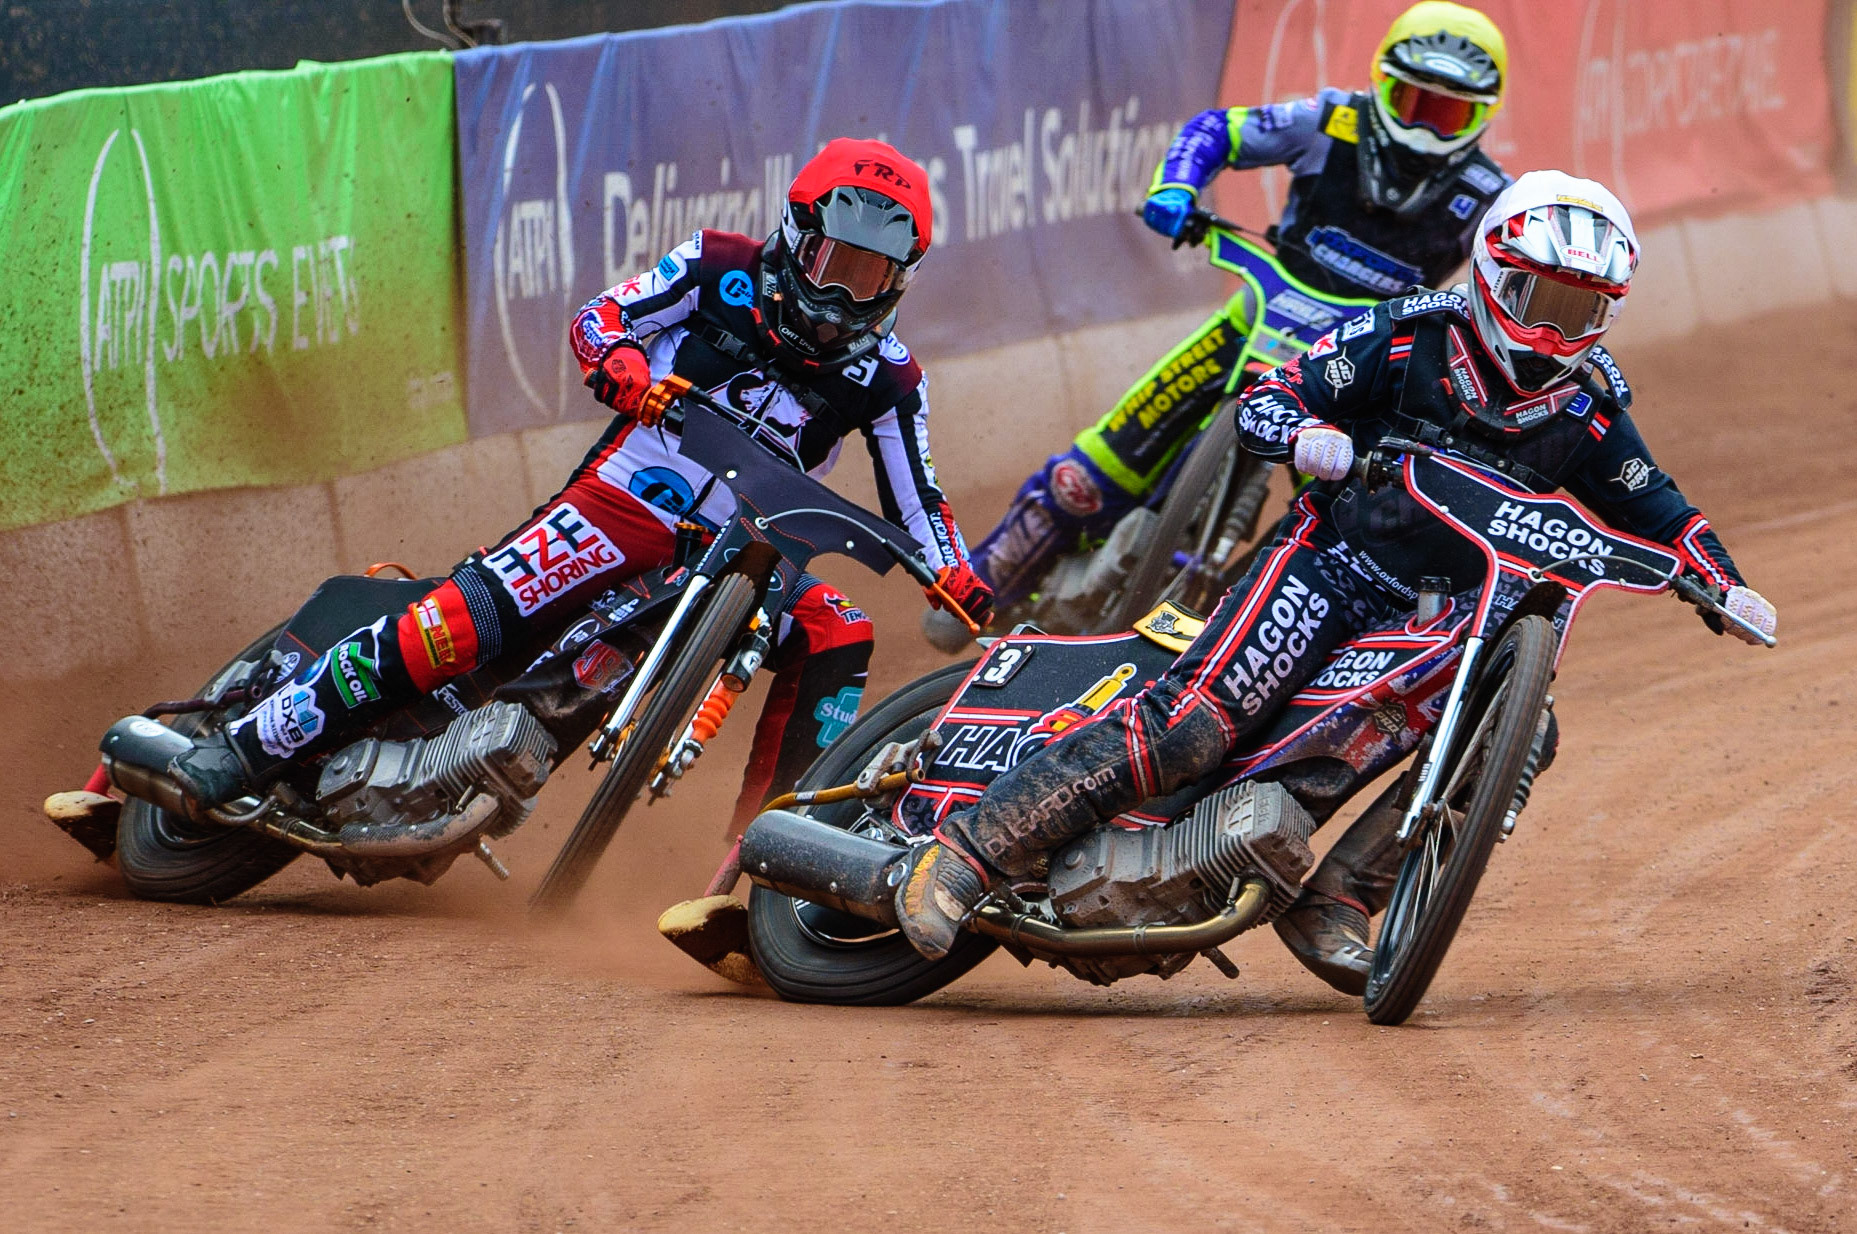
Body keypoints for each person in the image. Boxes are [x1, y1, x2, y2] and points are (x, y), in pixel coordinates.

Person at [891, 171, 1778, 988]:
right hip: (1328, 568)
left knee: (1518, 733)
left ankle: (1341, 898)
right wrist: (1305, 434)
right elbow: (1273, 394)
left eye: (1581, 310)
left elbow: (1661, 512)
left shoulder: (1587, 408)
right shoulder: (1406, 334)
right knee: (1194, 727)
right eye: (1541, 298)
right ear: (1493, 273)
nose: (1553, 330)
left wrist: (1723, 585)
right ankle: (967, 854)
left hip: (1440, 615)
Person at [140, 138, 993, 833]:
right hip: (623, 503)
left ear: (900, 281)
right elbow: (601, 317)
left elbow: (920, 498)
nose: (847, 292)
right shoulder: (715, 268)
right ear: (795, 238)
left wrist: (956, 573)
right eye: (836, 262)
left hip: (748, 551)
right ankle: (247, 746)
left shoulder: (889, 376)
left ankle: (766, 861)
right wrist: (623, 369)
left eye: (872, 275)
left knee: (839, 632)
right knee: (457, 626)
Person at [949, 0, 1514, 630]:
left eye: (1447, 113)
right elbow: (1218, 129)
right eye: (1413, 102)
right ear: (1382, 80)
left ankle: (1299, 637)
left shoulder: (1493, 197)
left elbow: (1512, 281)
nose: (1423, 127)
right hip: (1261, 314)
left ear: (1482, 114)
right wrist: (1177, 186)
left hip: (1366, 363)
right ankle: (983, 577)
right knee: (1097, 468)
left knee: (1361, 525)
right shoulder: (1330, 120)